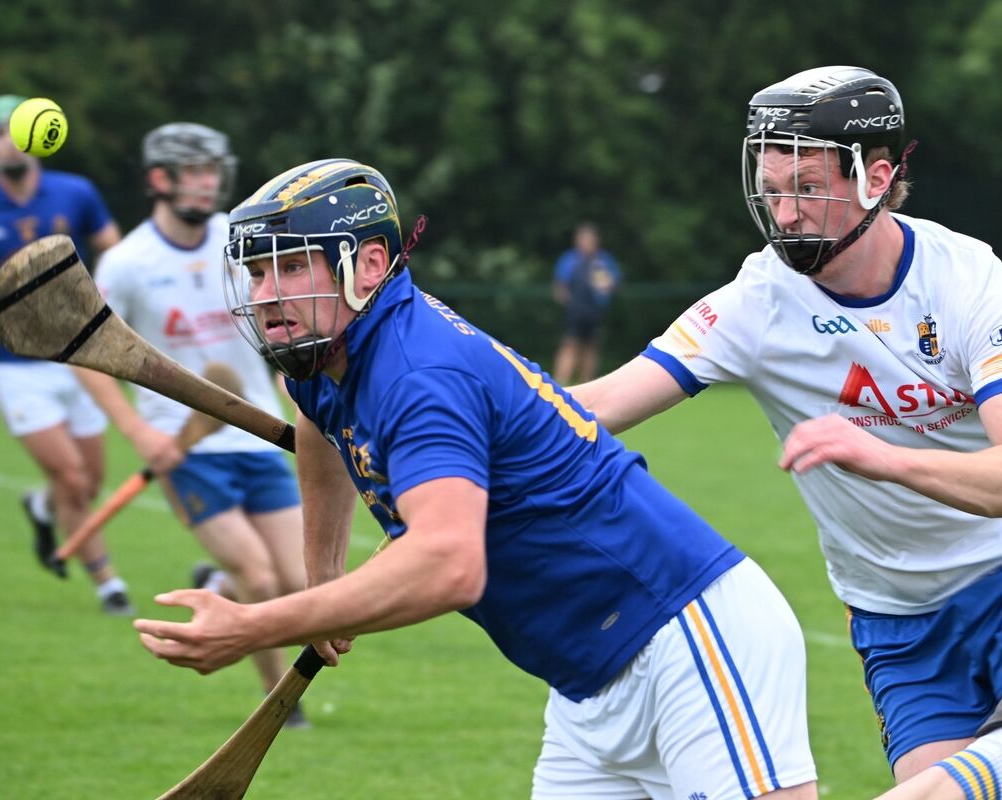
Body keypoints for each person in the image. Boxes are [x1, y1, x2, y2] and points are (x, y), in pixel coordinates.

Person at [135, 158, 820, 799]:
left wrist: (256, 625)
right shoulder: (327, 357)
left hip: (683, 635)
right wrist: (325, 577)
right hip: (586, 680)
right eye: (256, 274)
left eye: (288, 268)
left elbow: (448, 565)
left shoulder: (420, 377)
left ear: (368, 265)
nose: (265, 295)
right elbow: (316, 424)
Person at [567, 65, 1002, 787]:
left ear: (875, 176)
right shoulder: (757, 301)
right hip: (899, 623)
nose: (784, 215)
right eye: (771, 192)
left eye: (805, 189)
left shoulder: (965, 278)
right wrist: (439, 395)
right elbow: (595, 405)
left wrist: (880, 455)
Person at [76, 123, 309, 725]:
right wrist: (141, 435)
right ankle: (277, 701)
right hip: (187, 450)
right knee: (258, 578)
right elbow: (88, 359)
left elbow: (274, 322)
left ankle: (217, 583)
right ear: (161, 179)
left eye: (213, 170)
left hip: (257, 433)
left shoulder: (234, 238)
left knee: (297, 582)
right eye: (194, 171)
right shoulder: (127, 262)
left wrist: (300, 392)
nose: (208, 182)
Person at [0, 93, 133, 614]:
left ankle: (41, 506)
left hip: (79, 358)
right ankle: (107, 583)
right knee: (72, 478)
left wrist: (105, 307)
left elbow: (114, 251)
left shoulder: (76, 193)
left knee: (89, 480)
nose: (6, 139)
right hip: (14, 367)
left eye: (13, 128)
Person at [551, 221, 621, 384]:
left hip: (595, 311)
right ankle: (560, 383)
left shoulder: (603, 261)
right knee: (570, 345)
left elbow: (613, 286)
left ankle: (587, 382)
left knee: (591, 346)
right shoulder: (570, 260)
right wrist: (569, 304)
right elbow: (560, 286)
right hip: (575, 311)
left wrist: (607, 285)